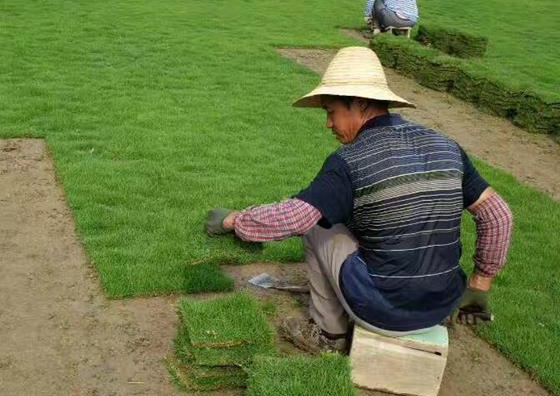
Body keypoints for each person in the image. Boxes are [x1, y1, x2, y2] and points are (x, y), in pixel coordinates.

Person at [205, 47, 512, 354]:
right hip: (441, 305)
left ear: (361, 104)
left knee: (318, 224)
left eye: (331, 111)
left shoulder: (349, 161)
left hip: (383, 312)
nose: (328, 124)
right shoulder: (446, 145)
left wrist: (235, 220)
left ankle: (328, 335)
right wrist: (479, 286)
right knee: (347, 213)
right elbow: (498, 215)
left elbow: (295, 217)